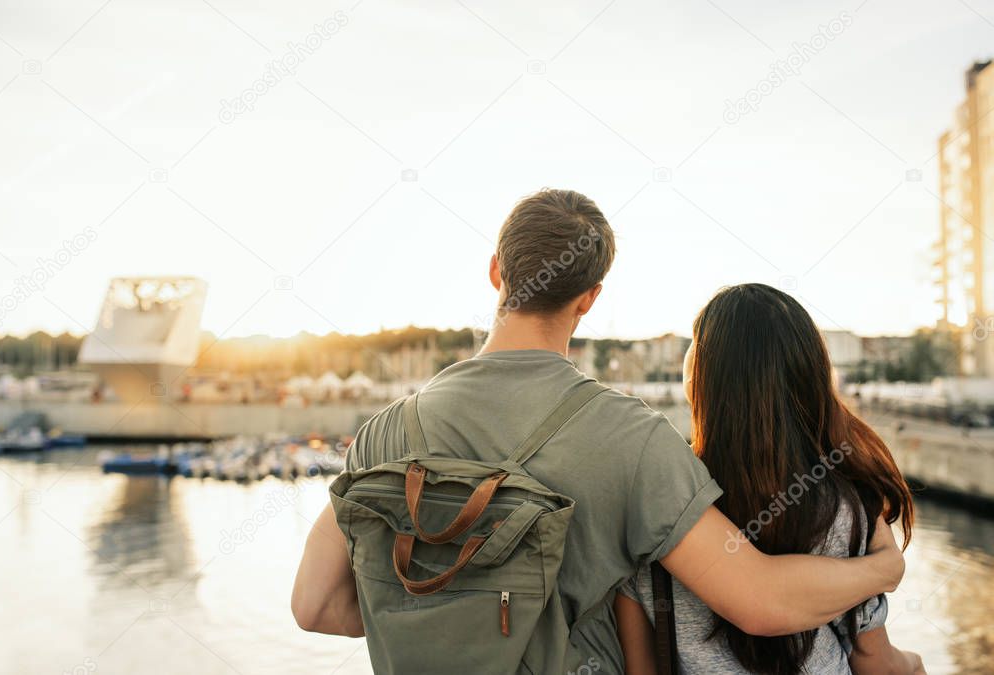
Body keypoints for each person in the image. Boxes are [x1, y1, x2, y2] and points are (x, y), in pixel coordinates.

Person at [291, 189, 906, 674]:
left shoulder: (385, 433)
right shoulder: (632, 441)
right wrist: (881, 573)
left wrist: (455, 629)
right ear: (590, 299)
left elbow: (314, 605)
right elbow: (761, 601)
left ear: (496, 271)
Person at [616, 284, 924, 674]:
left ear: (702, 380)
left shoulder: (655, 509)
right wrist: (914, 664)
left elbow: (641, 666)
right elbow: (875, 663)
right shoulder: (841, 509)